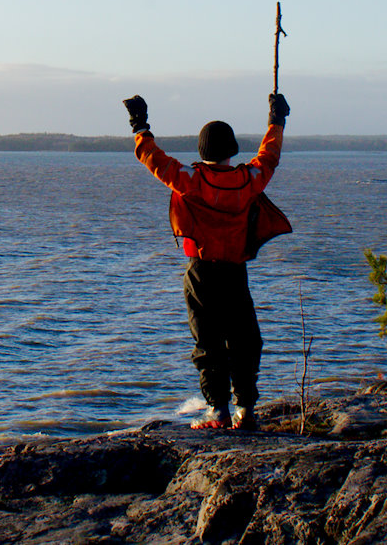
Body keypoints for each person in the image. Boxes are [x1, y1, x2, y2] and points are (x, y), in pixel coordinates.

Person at [122, 92, 291, 430]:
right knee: (244, 338)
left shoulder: (192, 181)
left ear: (202, 152)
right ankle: (245, 409)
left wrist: (140, 125)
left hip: (201, 273)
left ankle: (218, 410)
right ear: (231, 150)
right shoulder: (249, 180)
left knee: (207, 340)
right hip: (235, 270)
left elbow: (152, 157)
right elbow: (268, 156)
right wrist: (276, 120)